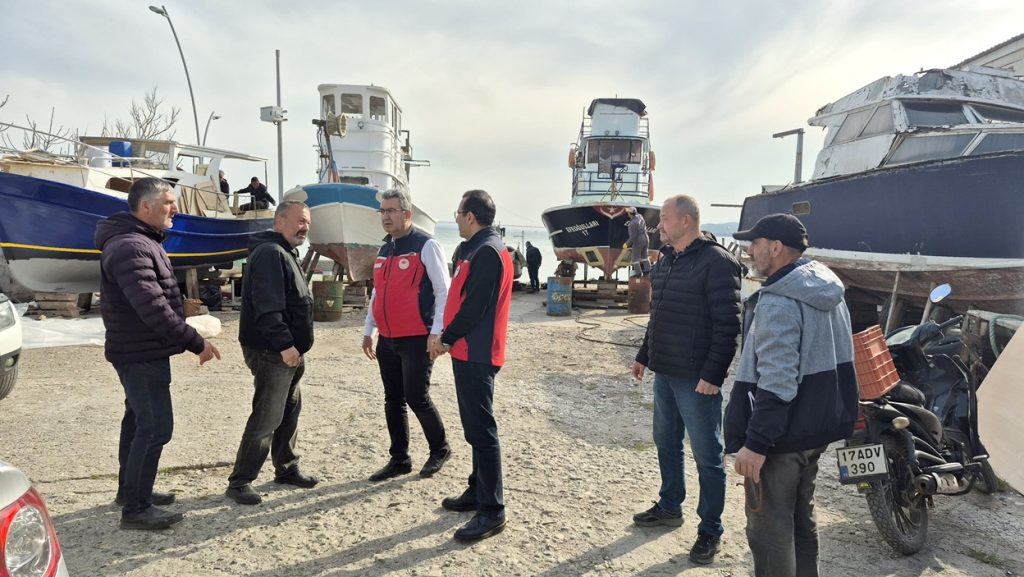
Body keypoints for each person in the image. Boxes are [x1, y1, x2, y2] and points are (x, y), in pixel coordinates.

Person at [725, 213, 858, 577]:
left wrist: (756, 443)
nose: (749, 252)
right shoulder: (827, 287)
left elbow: (777, 382)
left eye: (754, 244)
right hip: (816, 428)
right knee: (801, 518)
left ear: (776, 247)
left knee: (769, 529)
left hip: (781, 438)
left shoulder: (779, 301)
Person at [95, 177, 221, 530]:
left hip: (140, 350)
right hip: (140, 353)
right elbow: (153, 307)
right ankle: (136, 509)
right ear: (146, 206)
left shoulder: (140, 241)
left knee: (138, 420)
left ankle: (130, 491)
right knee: (155, 427)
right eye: (169, 202)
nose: (175, 209)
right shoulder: (131, 247)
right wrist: (196, 341)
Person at [630, 194, 741, 565]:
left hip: (697, 379)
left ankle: (710, 529)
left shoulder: (717, 262)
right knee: (666, 442)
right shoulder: (666, 259)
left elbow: (729, 325)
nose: (658, 225)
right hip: (665, 371)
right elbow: (658, 315)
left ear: (686, 221)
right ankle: (669, 506)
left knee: (708, 455)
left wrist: (713, 375)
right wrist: (644, 356)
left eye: (664, 218)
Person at [428, 189, 513, 542]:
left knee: (482, 430)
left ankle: (492, 510)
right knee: (474, 428)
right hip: (467, 351)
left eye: (458, 213)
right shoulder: (473, 248)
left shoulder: (488, 252)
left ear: (470, 216)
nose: (456, 219)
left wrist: (445, 338)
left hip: (478, 352)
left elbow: (476, 307)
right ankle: (477, 490)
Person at [226, 200, 318, 505]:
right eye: (299, 221)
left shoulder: (286, 252)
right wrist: (284, 345)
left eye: (307, 222)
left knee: (289, 411)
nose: (305, 227)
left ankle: (286, 468)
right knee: (268, 415)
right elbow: (267, 307)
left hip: (289, 350)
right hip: (273, 350)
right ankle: (240, 481)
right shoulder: (270, 253)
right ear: (279, 222)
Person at [361, 189, 452, 482]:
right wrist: (369, 330)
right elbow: (378, 292)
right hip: (388, 338)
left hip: (417, 337)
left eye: (391, 211)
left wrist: (437, 332)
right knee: (393, 400)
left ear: (407, 214)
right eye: (382, 211)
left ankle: (440, 449)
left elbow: (443, 291)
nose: (385, 216)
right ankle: (399, 459)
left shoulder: (426, 245)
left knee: (416, 396)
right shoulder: (385, 249)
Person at [624, 206, 651, 277]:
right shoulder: (640, 216)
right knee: (644, 256)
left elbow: (633, 237)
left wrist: (626, 244)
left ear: (629, 214)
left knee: (635, 258)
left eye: (628, 212)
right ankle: (648, 271)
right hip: (646, 238)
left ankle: (639, 273)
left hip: (638, 241)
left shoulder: (632, 224)